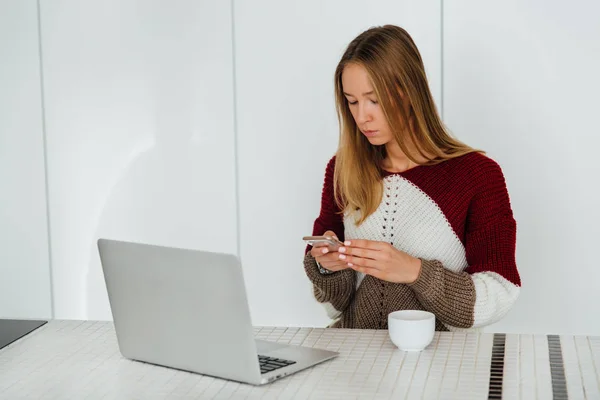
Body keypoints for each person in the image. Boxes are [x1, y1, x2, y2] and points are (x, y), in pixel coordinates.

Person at [303, 25, 521, 331]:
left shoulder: (477, 175)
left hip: (437, 365)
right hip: (351, 361)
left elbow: (500, 292)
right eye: (352, 101)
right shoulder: (342, 170)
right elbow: (332, 307)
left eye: (374, 99)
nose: (362, 115)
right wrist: (328, 269)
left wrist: (416, 271)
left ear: (408, 91)